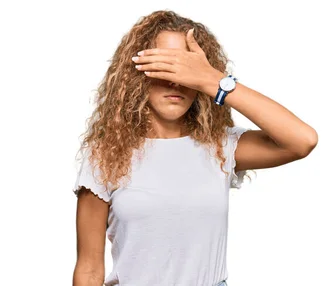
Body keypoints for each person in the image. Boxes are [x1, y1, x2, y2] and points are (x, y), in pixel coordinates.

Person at [71, 10, 318, 286]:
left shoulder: (220, 146)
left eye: (186, 69)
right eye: (165, 66)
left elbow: (302, 140)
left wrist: (213, 81)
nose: (176, 81)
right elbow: (90, 268)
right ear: (137, 73)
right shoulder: (106, 154)